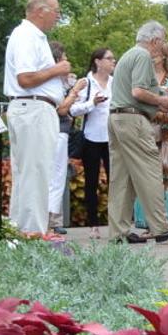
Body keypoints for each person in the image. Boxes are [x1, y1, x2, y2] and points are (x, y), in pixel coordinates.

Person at [106, 22, 168, 244]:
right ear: (154, 41)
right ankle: (162, 227)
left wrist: (161, 92)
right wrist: (162, 100)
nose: (163, 47)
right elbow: (138, 91)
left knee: (121, 178)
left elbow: (130, 89)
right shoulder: (143, 56)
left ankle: (119, 232)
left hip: (116, 118)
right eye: (162, 41)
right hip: (133, 120)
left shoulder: (127, 55)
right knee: (150, 169)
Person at [3, 0, 71, 235]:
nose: (58, 16)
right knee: (35, 173)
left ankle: (23, 230)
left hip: (33, 109)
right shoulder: (26, 36)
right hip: (32, 108)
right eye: (56, 10)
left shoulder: (33, 36)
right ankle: (33, 232)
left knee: (29, 173)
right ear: (41, 10)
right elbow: (25, 78)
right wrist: (57, 69)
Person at [133, 42, 168, 231]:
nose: (152, 56)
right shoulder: (144, 78)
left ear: (164, 56)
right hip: (148, 126)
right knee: (149, 173)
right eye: (151, 54)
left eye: (156, 54)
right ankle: (147, 219)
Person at [69, 47, 114, 231]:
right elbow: (73, 110)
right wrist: (92, 103)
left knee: (116, 181)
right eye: (109, 58)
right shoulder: (86, 83)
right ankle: (93, 223)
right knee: (91, 181)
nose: (113, 62)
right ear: (98, 61)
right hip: (92, 138)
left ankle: (116, 222)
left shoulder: (115, 82)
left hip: (112, 138)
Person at [48, 41, 82, 234]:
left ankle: (54, 219)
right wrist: (75, 90)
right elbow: (62, 109)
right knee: (57, 175)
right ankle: (52, 220)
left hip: (58, 131)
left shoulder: (57, 83)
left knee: (57, 176)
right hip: (57, 132)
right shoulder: (54, 84)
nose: (67, 61)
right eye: (64, 58)